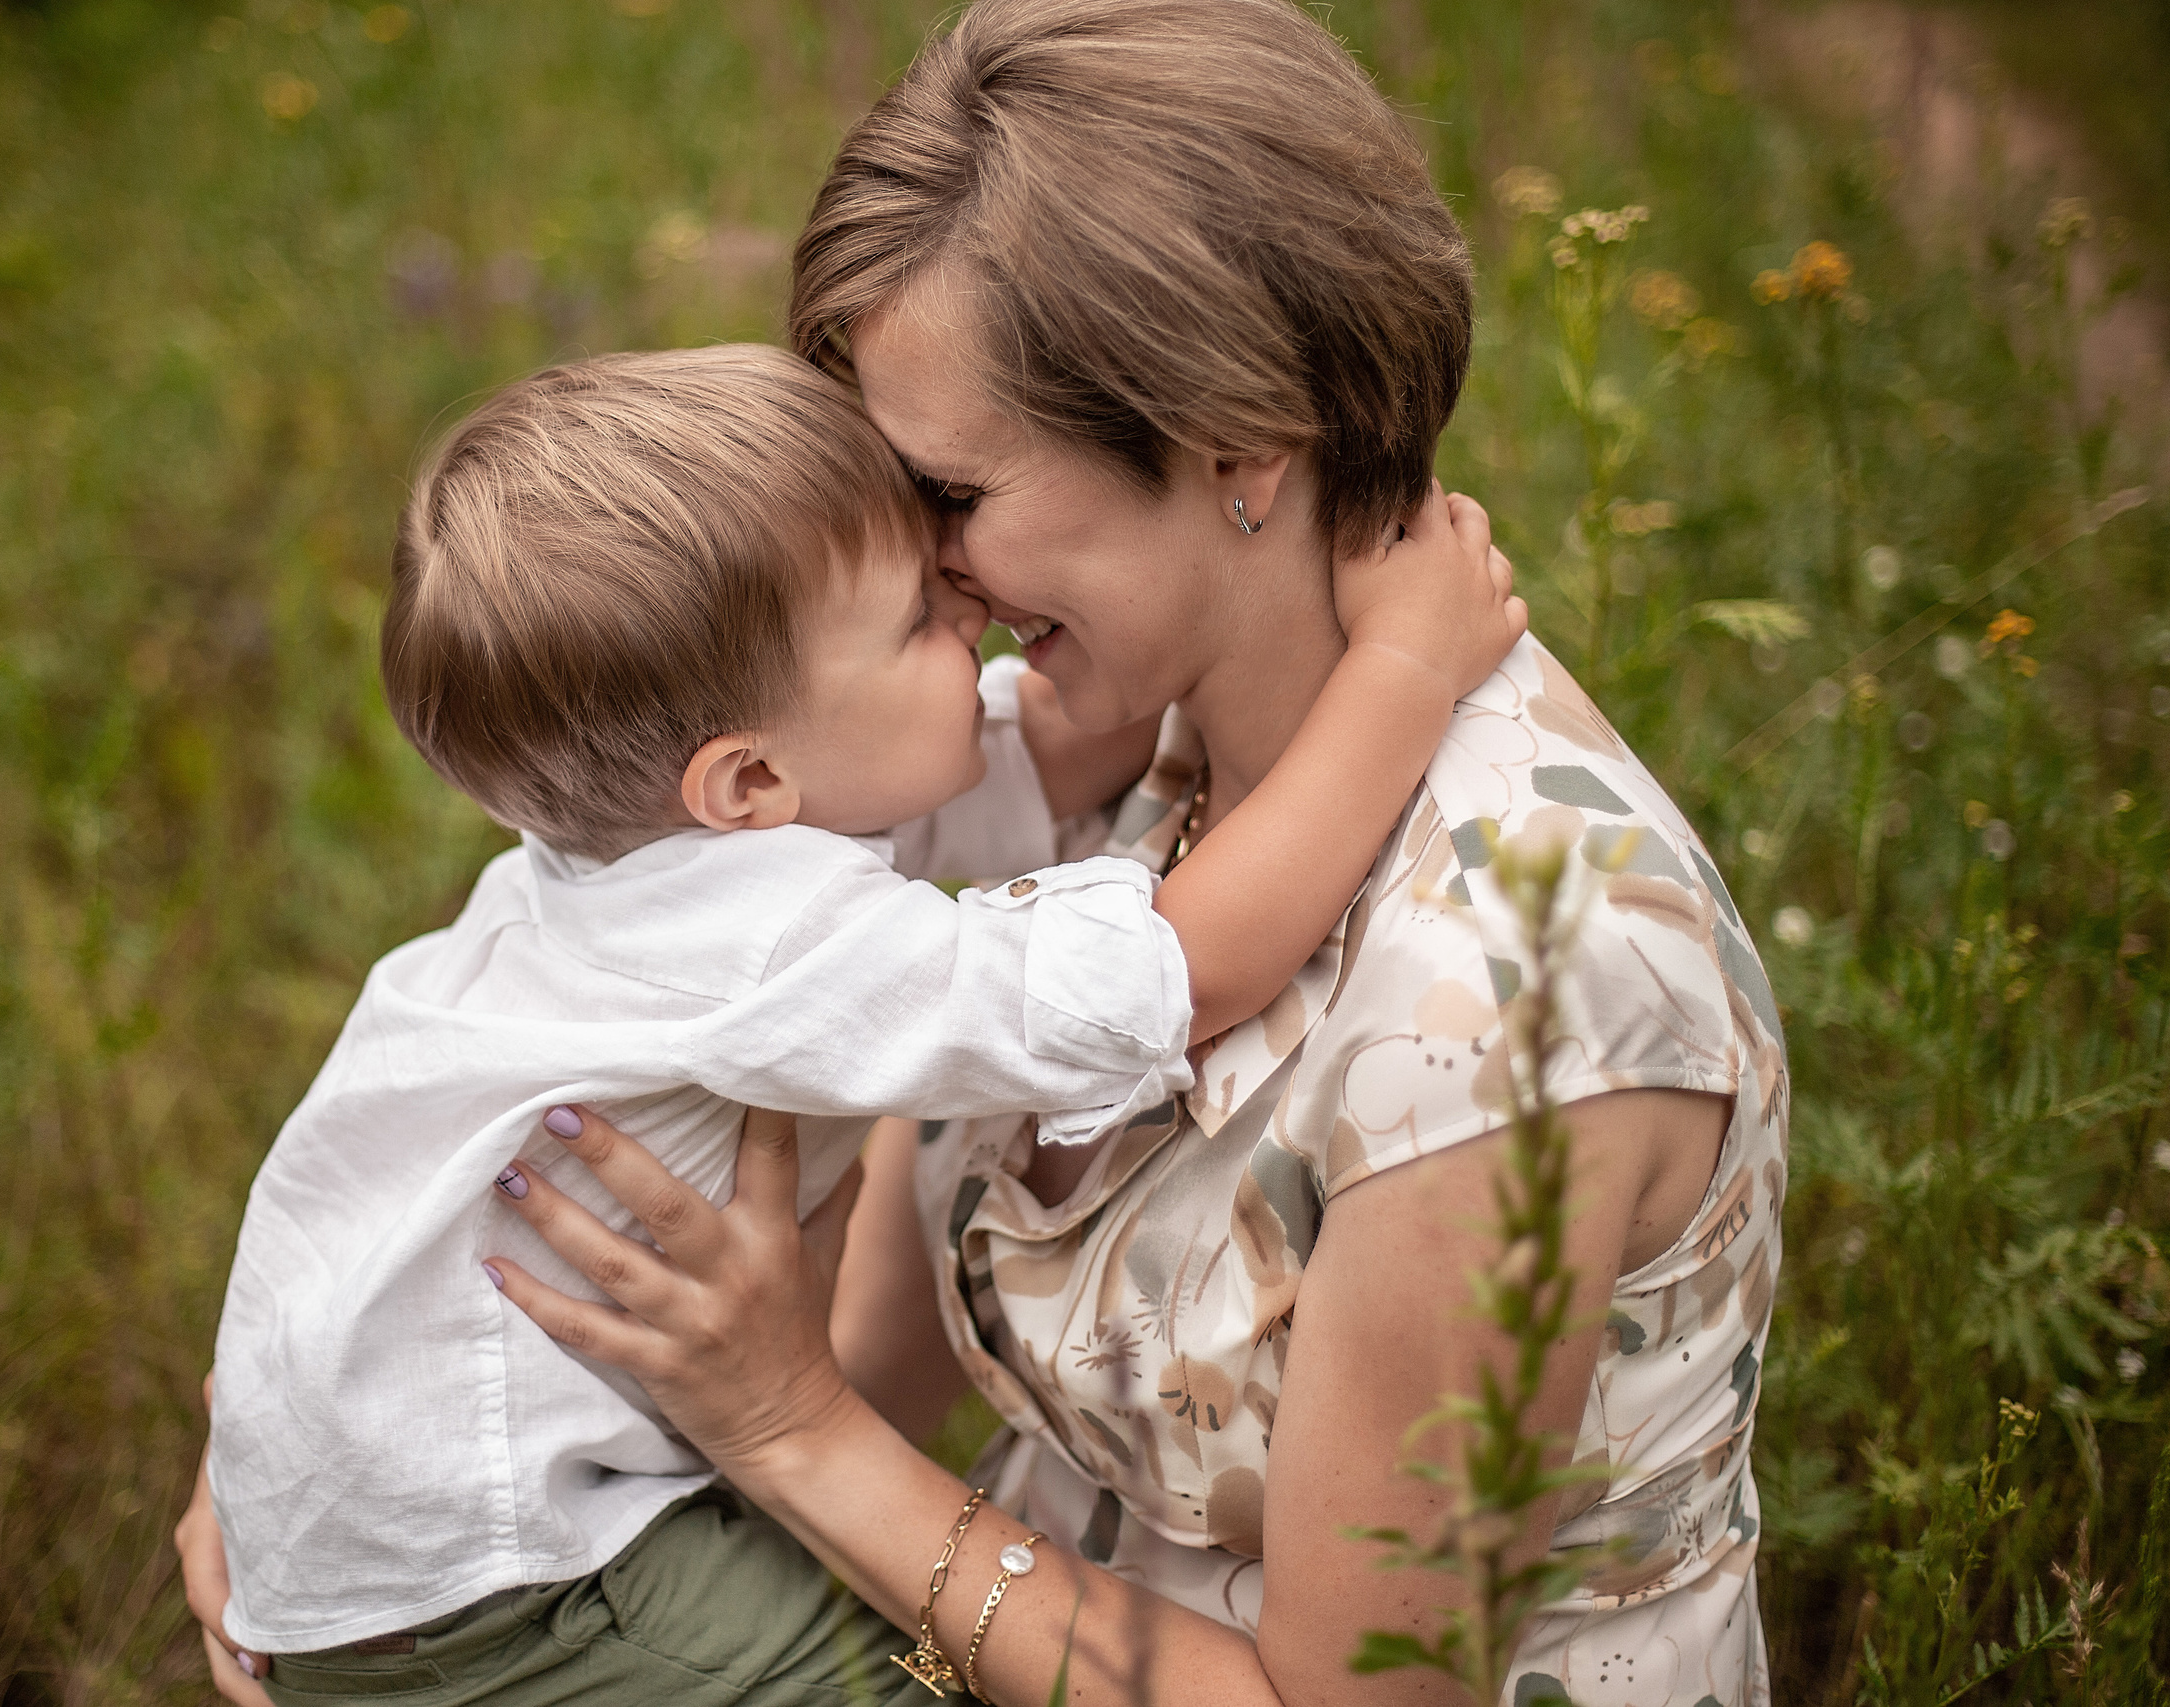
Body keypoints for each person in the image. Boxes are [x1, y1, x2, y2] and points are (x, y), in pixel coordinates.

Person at [450, 1, 1788, 1704]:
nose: (920, 574)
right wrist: (366, 1490)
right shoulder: (1095, 738)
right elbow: (875, 1330)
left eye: (950, 494)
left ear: (1238, 450)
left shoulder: (1518, 990)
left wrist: (786, 1430)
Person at [189, 341, 1522, 1698]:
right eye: (921, 625)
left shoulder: (640, 858)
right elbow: (1177, 969)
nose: (973, 614)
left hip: (369, 1521)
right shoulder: (763, 944)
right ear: (752, 779)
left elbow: (1029, 746)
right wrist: (1403, 668)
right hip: (524, 1593)